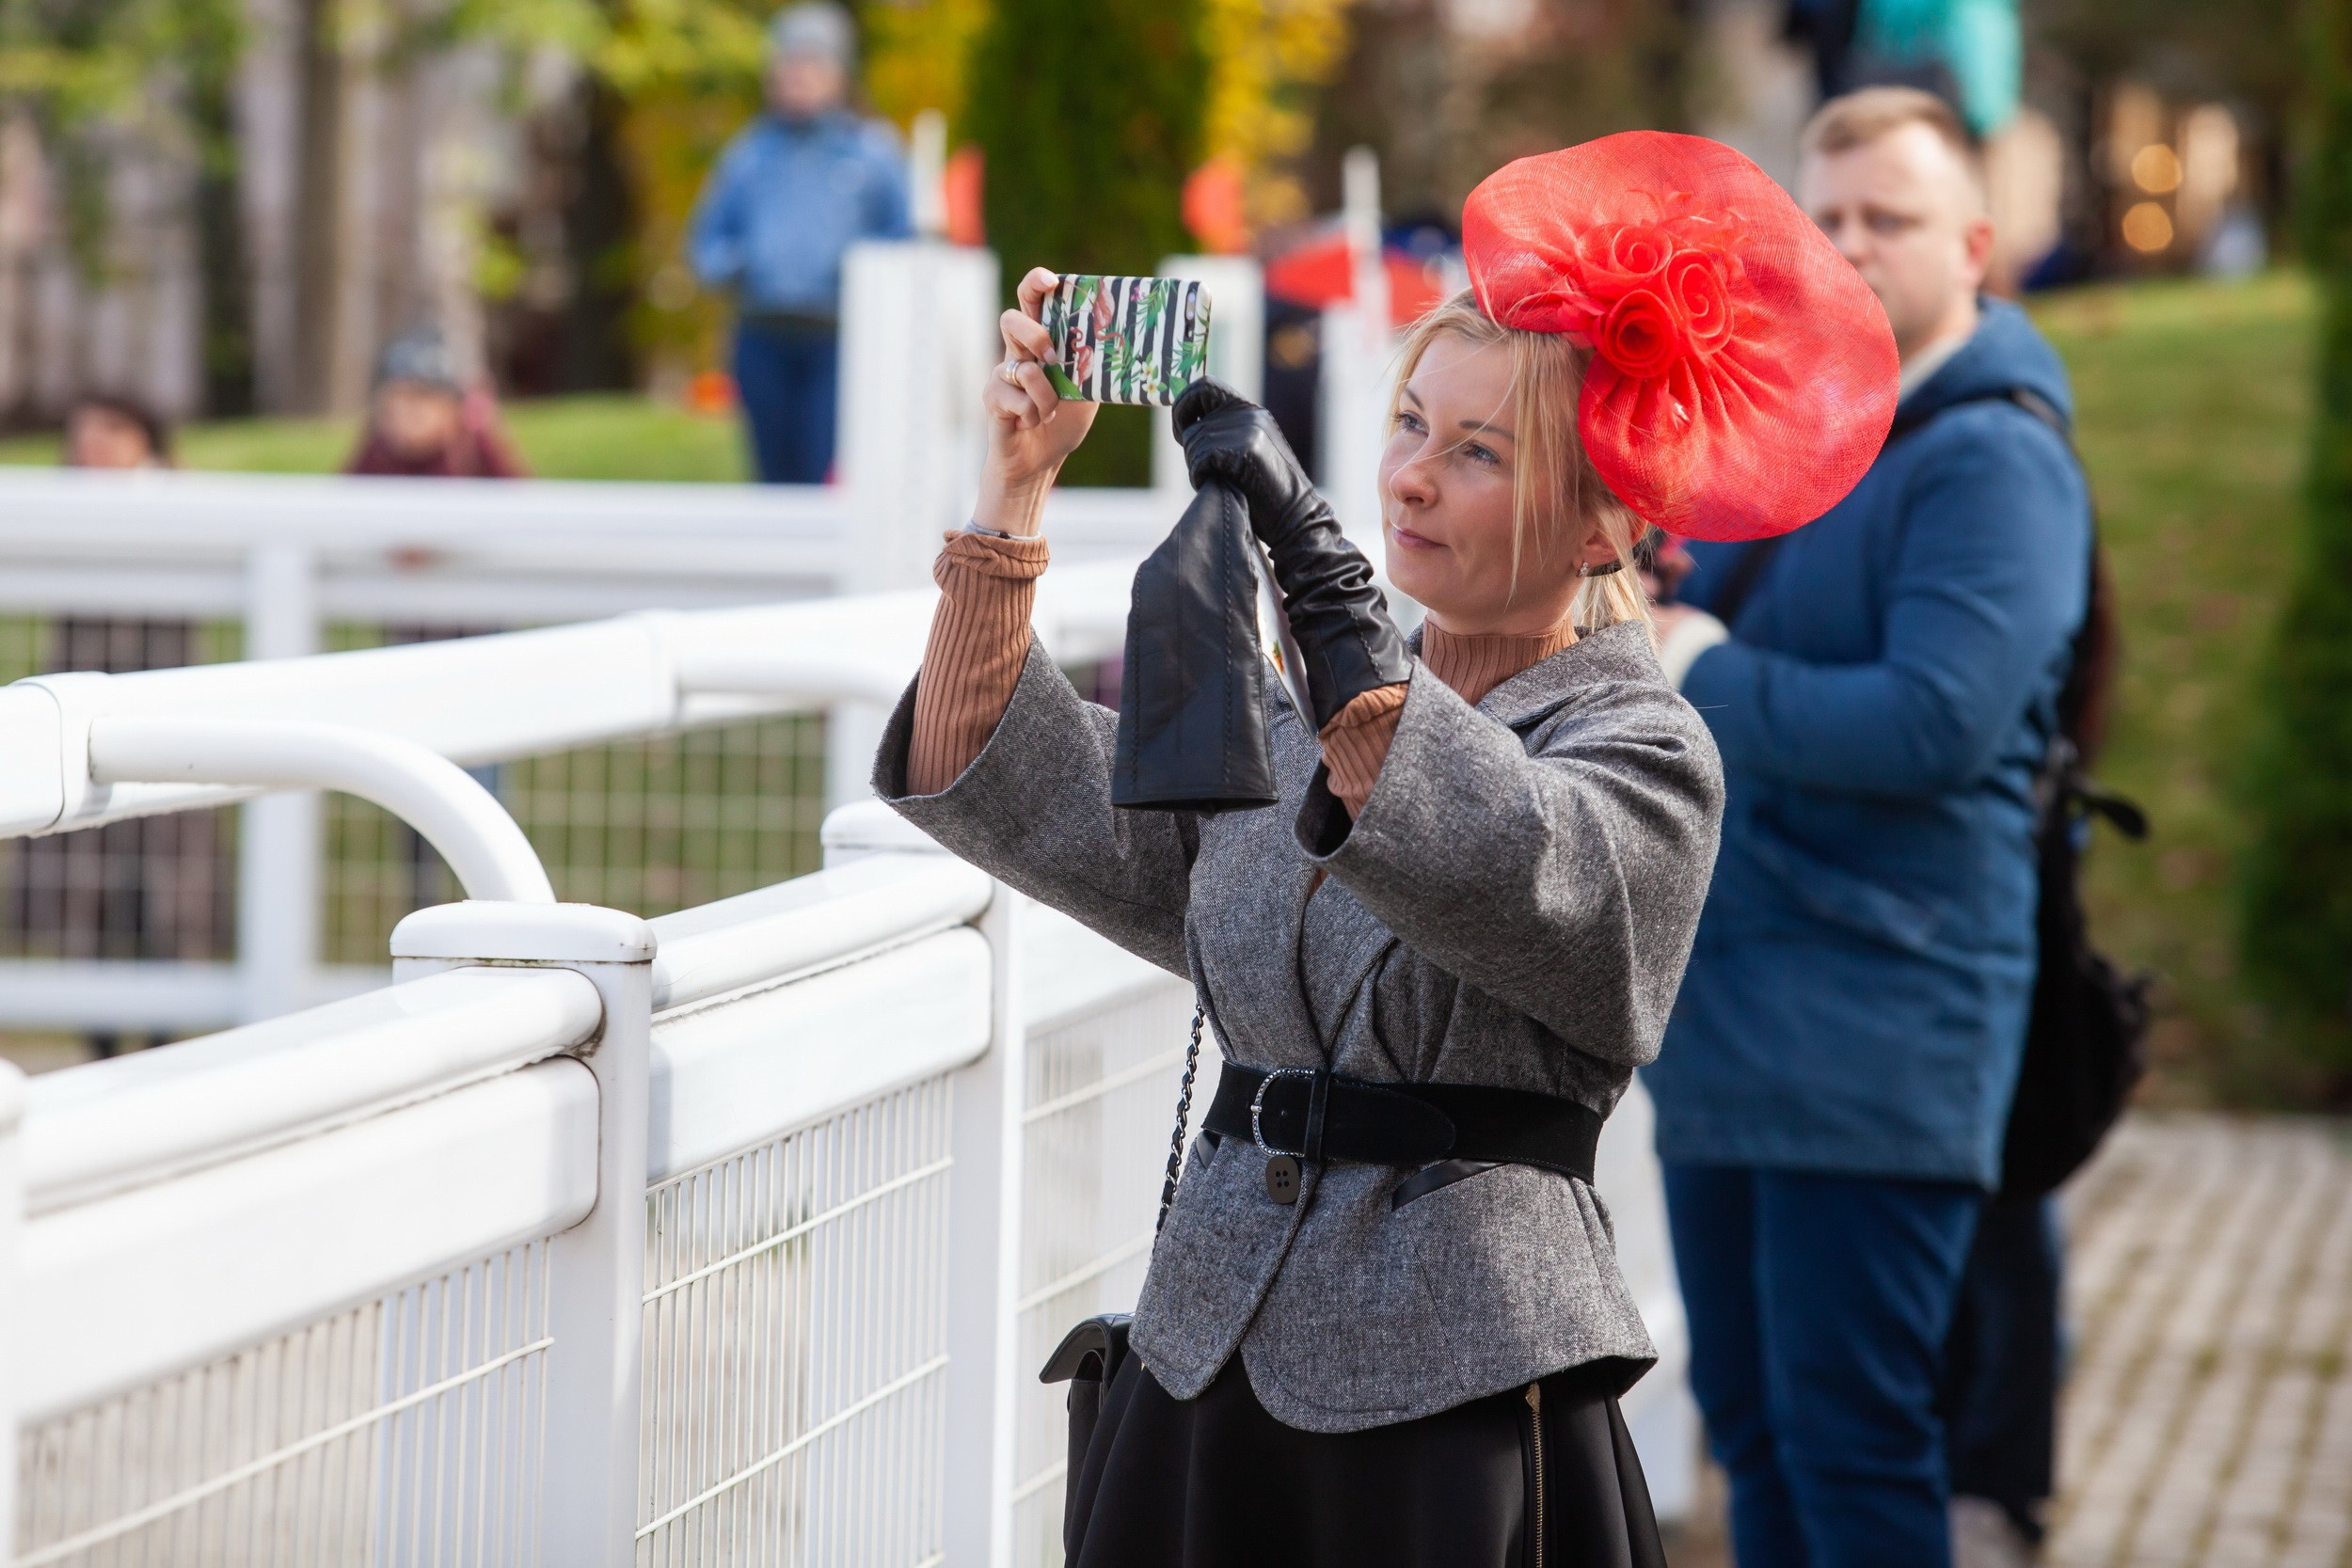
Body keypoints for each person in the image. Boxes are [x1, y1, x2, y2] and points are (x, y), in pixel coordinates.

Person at [873, 131, 1897, 1567]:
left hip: (1461, 1401)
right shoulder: (1302, 716)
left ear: (1606, 516)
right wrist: (1015, 492)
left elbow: (1499, 853)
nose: (1410, 477)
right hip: (1203, 1359)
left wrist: (1310, 555)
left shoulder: (1652, 750)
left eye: (1476, 450)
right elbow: (1007, 786)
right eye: (1410, 423)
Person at [1641, 87, 2091, 1568]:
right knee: (1754, 1425)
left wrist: (1705, 663)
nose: (1846, 246)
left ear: (1974, 243)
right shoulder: (1802, 432)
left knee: (1854, 1436)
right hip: (1735, 1006)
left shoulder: (1996, 456)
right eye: (1820, 220)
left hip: (1889, 1014)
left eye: (1884, 219)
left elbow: (1935, 720)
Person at [9, 395, 226, 1056]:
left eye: (110, 431)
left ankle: (162, 1041)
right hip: (82, 732)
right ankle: (98, 1044)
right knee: (87, 894)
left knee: (164, 896)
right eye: (82, 433)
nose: (92, 446)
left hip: (162, 729)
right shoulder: (59, 512)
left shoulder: (181, 511)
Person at [689, 1, 912, 483]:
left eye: (811, 64)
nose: (797, 76)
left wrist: (862, 268)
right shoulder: (749, 154)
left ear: (839, 75)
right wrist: (737, 264)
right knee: (772, 472)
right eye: (787, 64)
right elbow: (707, 242)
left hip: (838, 337)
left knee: (821, 467)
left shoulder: (871, 152)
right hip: (762, 334)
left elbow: (906, 236)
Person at [345, 326, 527, 479]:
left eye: (422, 396)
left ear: (452, 407)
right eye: (399, 398)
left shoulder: (475, 451)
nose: (408, 410)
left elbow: (520, 505)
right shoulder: (376, 455)